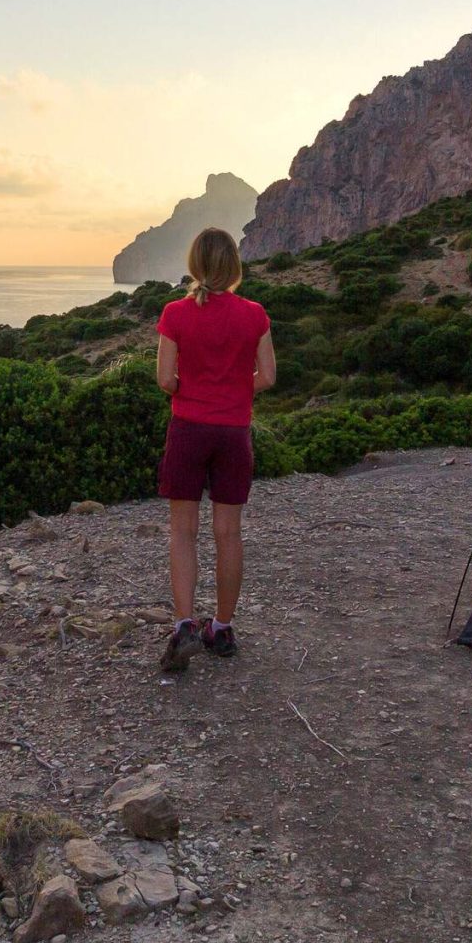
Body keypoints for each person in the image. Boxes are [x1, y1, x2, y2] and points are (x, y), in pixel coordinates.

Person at [153, 226, 274, 673]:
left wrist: (196, 389)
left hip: (188, 428)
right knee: (229, 533)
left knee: (183, 532)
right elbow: (268, 377)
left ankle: (185, 625)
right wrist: (232, 391)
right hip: (233, 432)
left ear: (195, 264)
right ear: (234, 267)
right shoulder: (255, 314)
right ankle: (221, 629)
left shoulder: (175, 314)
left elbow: (166, 379)